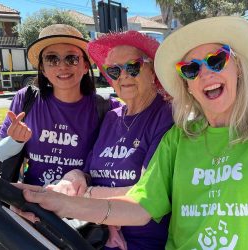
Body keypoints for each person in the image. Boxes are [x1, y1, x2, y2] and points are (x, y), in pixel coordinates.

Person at [16, 16, 248, 249]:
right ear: (186, 83)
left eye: (217, 60)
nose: (205, 74)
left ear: (238, 67)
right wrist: (56, 201)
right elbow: (140, 205)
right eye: (191, 68)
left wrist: (78, 198)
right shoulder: (180, 139)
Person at [49, 30, 174, 250]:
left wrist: (86, 197)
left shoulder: (166, 115)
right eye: (114, 70)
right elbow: (89, 172)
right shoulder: (111, 117)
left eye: (133, 66)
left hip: (142, 242)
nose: (123, 75)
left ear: (152, 69)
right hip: (97, 237)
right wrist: (75, 176)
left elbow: (144, 193)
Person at [0, 24, 118, 186]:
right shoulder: (26, 99)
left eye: (72, 58)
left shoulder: (106, 107)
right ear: (43, 69)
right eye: (52, 59)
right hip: (29, 204)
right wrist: (14, 141)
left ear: (84, 66)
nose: (62, 66)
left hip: (80, 205)